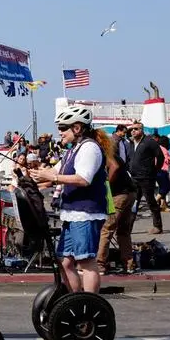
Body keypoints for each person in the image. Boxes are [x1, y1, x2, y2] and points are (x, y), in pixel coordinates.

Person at [30, 106, 113, 294]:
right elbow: (54, 171)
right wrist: (34, 175)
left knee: (85, 261)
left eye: (62, 128)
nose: (59, 132)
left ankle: (89, 302)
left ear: (77, 128)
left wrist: (52, 177)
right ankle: (75, 299)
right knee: (64, 261)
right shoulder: (72, 150)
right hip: (72, 212)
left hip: (85, 213)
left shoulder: (89, 148)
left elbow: (83, 179)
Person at [97, 126, 138, 274]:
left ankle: (100, 264)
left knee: (106, 228)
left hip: (119, 195)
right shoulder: (112, 152)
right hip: (130, 193)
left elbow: (113, 167)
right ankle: (128, 263)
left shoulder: (105, 153)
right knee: (123, 231)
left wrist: (106, 184)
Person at [126, 121, 164, 234]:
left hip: (147, 178)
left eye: (136, 129)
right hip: (134, 178)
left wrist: (155, 170)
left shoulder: (149, 142)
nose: (133, 131)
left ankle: (157, 226)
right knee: (133, 203)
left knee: (151, 202)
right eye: (131, 129)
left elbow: (160, 157)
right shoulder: (131, 143)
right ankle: (128, 228)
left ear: (142, 130)